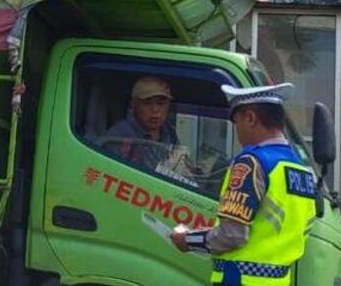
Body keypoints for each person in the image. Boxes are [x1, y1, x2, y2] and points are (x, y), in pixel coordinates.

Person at [170, 83, 317, 286]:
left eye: (236, 122)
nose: (236, 131)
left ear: (250, 118)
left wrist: (188, 239)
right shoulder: (303, 170)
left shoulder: (251, 162)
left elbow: (233, 235)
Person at [102, 75, 180, 172]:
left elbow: (179, 168)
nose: (155, 110)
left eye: (160, 104)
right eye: (147, 103)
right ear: (133, 104)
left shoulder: (170, 133)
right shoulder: (119, 135)